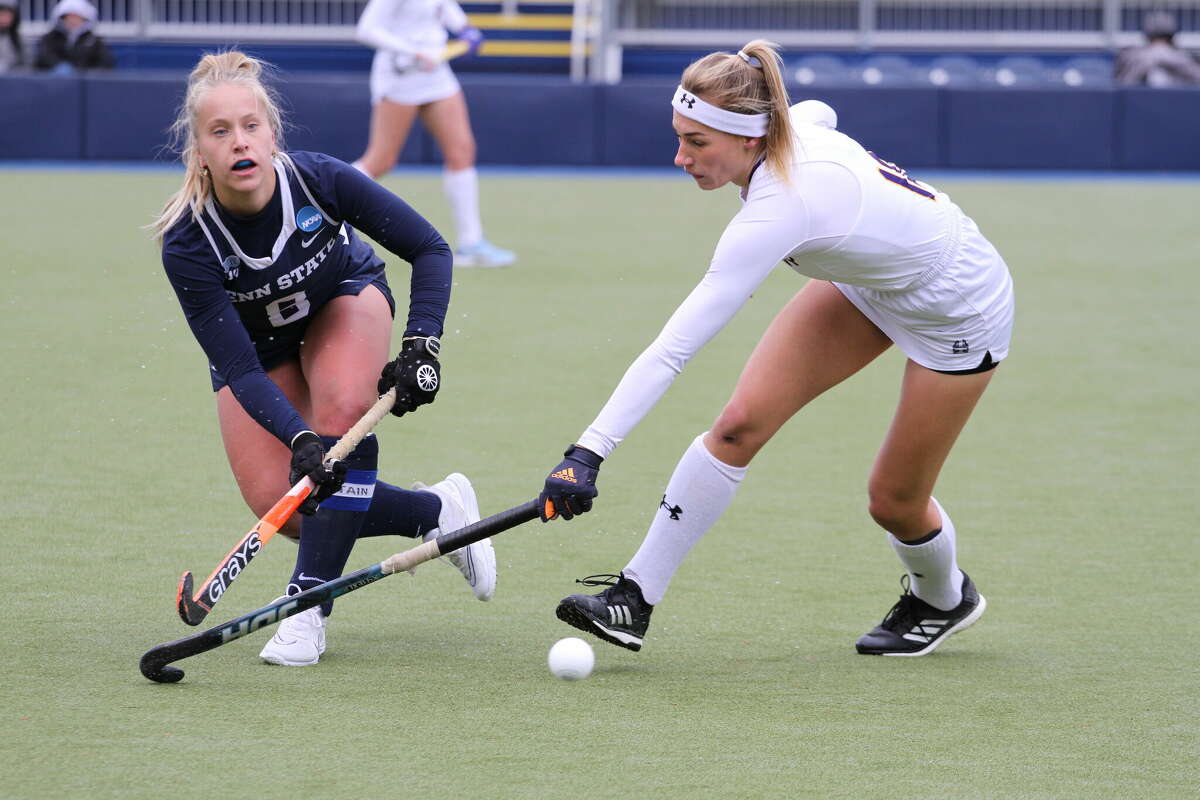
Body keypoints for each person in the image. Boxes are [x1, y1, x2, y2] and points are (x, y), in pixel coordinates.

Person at [538, 40, 1014, 658]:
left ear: (748, 137)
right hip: (871, 284)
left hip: (957, 303)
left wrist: (587, 452)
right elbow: (819, 112)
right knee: (737, 426)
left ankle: (944, 597)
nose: (680, 157)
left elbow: (673, 349)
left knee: (893, 501)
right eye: (679, 136)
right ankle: (634, 598)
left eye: (698, 143)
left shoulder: (780, 207)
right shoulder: (787, 129)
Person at [152, 50, 497, 668]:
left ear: (272, 132)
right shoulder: (187, 243)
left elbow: (430, 248)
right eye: (221, 132)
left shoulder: (318, 180)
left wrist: (422, 342)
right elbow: (239, 370)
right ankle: (436, 511)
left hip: (343, 300)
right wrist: (299, 437)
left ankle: (307, 607)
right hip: (257, 351)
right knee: (281, 502)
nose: (239, 143)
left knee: (344, 403)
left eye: (250, 126)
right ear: (199, 150)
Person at [352, 0, 516, 268]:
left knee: (461, 151)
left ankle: (471, 243)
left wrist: (465, 28)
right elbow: (366, 30)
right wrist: (413, 51)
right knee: (380, 161)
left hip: (436, 73)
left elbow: (444, 7)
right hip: (400, 75)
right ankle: (321, 209)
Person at [1115, 11, 1200, 87]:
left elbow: (1120, 84)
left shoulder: (1133, 55)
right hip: (1178, 101)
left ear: (1148, 37)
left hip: (1137, 101)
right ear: (1172, 37)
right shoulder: (1182, 57)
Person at [33, 0, 114, 73]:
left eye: (76, 17)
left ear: (84, 19)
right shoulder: (50, 38)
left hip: (87, 86)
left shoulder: (94, 41)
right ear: (62, 19)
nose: (72, 21)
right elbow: (42, 58)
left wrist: (89, 73)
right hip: (54, 85)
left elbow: (106, 63)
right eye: (69, 17)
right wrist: (56, 67)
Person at [0, 0, 24, 74]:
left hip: (13, 77)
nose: (5, 19)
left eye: (8, 16)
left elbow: (25, 62)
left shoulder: (16, 38)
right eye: (2, 15)